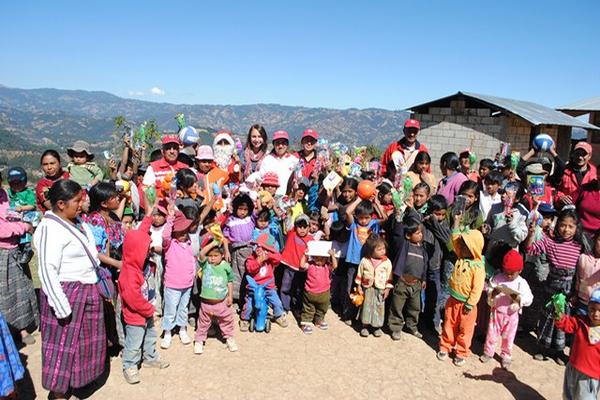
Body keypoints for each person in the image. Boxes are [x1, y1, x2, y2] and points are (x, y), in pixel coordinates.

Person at [33, 179, 106, 398]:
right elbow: (47, 270)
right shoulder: (49, 228)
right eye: (77, 200)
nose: (82, 204)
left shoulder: (78, 222)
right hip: (66, 294)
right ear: (61, 204)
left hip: (86, 289)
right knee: (62, 346)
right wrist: (62, 307)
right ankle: (58, 394)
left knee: (83, 343)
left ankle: (77, 381)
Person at [118, 196, 169, 384]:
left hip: (146, 312)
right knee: (133, 343)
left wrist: (149, 212)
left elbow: (141, 233)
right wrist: (150, 310)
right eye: (146, 249)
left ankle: (150, 358)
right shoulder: (130, 274)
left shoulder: (138, 262)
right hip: (135, 315)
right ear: (137, 251)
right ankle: (129, 366)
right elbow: (132, 299)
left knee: (150, 337)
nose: (149, 251)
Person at [525, 208, 586, 364]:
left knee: (563, 319)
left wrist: (575, 292)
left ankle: (558, 351)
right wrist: (531, 233)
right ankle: (542, 348)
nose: (566, 230)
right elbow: (530, 249)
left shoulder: (580, 247)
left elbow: (581, 271)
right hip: (551, 286)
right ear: (557, 225)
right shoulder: (549, 242)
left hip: (568, 289)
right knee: (547, 318)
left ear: (576, 227)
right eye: (563, 225)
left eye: (570, 226)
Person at [437, 213, 485, 367]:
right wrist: (456, 222)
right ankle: (445, 346)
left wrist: (470, 304)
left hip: (467, 305)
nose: (462, 247)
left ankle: (461, 352)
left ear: (474, 248)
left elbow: (477, 289)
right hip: (453, 300)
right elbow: (455, 240)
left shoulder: (477, 267)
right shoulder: (461, 257)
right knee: (448, 324)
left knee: (465, 329)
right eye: (462, 245)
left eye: (466, 246)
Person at [0, 171, 38, 346]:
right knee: (5, 294)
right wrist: (24, 226)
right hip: (3, 252)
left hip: (15, 248)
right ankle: (8, 332)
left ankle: (22, 329)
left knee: (21, 289)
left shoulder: (4, 194)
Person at [480, 250, 533, 370]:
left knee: (508, 337)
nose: (508, 275)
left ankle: (506, 356)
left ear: (519, 271)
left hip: (511, 315)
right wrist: (493, 292)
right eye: (506, 272)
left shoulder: (521, 283)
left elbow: (529, 298)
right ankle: (488, 352)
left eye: (512, 273)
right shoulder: (498, 278)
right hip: (497, 312)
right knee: (491, 334)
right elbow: (490, 289)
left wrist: (519, 301)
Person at [555, 287, 600, 400]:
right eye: (592, 309)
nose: (595, 314)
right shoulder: (581, 321)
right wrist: (559, 316)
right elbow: (567, 324)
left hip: (590, 375)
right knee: (568, 395)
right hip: (572, 368)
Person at [160, 207, 196, 349]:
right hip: (173, 284)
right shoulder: (169, 244)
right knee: (170, 309)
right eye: (180, 231)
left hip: (187, 284)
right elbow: (165, 236)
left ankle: (182, 329)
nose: (183, 234)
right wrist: (169, 220)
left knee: (183, 308)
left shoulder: (189, 243)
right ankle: (167, 331)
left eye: (185, 231)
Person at [194, 239, 238, 354]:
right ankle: (199, 341)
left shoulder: (226, 267)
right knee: (203, 323)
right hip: (206, 303)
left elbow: (230, 281)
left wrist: (230, 296)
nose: (212, 258)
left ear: (222, 255)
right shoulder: (205, 265)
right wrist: (213, 243)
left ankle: (229, 338)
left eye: (215, 255)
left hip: (222, 302)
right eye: (211, 256)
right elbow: (201, 254)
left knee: (226, 320)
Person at [388, 217, 428, 340]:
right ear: (408, 236)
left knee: (415, 307)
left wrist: (424, 279)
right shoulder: (404, 245)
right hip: (402, 282)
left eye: (421, 232)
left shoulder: (423, 250)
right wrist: (399, 219)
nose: (421, 235)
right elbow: (398, 234)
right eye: (417, 233)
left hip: (416, 284)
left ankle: (412, 327)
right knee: (397, 306)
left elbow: (424, 266)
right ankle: (395, 327)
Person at [240, 233, 288, 331]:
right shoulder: (251, 258)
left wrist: (269, 255)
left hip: (268, 287)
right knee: (248, 305)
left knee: (277, 302)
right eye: (257, 246)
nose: (259, 248)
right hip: (254, 288)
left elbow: (279, 259)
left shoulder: (270, 259)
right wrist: (258, 261)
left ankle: (278, 315)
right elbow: (250, 269)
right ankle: (245, 319)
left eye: (263, 247)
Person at [354, 233, 392, 338]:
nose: (383, 251)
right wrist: (358, 286)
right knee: (367, 306)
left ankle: (376, 326)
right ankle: (365, 325)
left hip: (380, 288)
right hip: (368, 287)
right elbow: (359, 273)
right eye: (379, 249)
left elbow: (390, 276)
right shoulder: (365, 260)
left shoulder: (387, 262)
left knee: (379, 307)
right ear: (371, 250)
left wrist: (387, 289)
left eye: (384, 249)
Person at [223, 193, 255, 303]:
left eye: (245, 209)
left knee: (248, 274)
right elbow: (225, 237)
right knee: (236, 275)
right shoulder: (230, 220)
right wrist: (226, 251)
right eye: (240, 209)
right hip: (236, 252)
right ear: (235, 208)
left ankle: (247, 298)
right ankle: (236, 299)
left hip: (250, 251)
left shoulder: (251, 219)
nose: (243, 212)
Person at [279, 214, 314, 314]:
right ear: (295, 226)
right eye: (299, 226)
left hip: (302, 269)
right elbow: (287, 222)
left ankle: (297, 307)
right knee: (286, 287)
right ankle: (285, 307)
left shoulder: (311, 240)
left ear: (309, 227)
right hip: (290, 266)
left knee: (300, 289)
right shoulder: (292, 233)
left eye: (305, 227)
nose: (302, 229)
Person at [298, 246, 337, 334]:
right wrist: (305, 254)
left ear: (326, 258)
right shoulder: (310, 264)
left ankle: (319, 321)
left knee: (322, 308)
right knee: (308, 309)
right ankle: (306, 323)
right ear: (313, 257)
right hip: (309, 293)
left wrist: (333, 256)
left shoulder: (327, 266)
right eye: (316, 258)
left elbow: (335, 266)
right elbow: (302, 265)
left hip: (324, 293)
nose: (319, 260)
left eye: (322, 258)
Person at [555, 141, 596, 209]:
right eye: (577, 153)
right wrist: (560, 197)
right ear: (573, 154)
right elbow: (554, 190)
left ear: (589, 156)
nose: (580, 157)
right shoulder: (563, 170)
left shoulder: (595, 173)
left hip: (587, 213)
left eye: (583, 154)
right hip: (567, 213)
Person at [258, 130, 299, 196]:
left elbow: (298, 179)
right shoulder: (267, 160)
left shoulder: (294, 161)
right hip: (269, 198)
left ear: (287, 144)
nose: (280, 146)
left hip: (287, 198)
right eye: (277, 143)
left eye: (283, 143)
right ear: (273, 144)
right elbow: (261, 179)